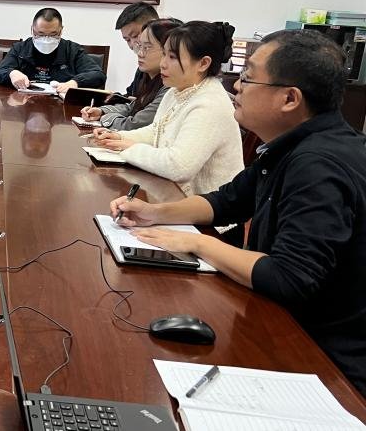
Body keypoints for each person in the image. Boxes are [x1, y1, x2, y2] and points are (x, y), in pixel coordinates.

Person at [111, 30, 366, 395]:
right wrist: (155, 212)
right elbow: (227, 201)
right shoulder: (292, 145)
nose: (236, 87)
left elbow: (289, 277)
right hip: (285, 326)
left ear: (290, 98)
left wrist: (196, 244)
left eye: (248, 77)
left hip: (325, 365)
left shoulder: (318, 166)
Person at [91, 21, 243, 196]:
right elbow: (156, 131)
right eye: (164, 54)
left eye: (172, 57)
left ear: (203, 63)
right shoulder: (177, 90)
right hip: (175, 196)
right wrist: (119, 136)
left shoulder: (210, 103)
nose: (163, 63)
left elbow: (178, 167)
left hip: (208, 209)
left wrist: (128, 147)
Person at [81, 18, 181, 130]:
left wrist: (104, 118)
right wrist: (101, 111)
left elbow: (135, 124)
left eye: (147, 47)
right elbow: (133, 106)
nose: (140, 53)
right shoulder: (146, 74)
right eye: (139, 46)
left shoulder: (171, 85)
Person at [0, 7, 107, 94]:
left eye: (53, 34)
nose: (46, 40)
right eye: (40, 34)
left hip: (60, 107)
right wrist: (12, 73)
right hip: (24, 102)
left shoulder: (72, 50)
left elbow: (98, 75)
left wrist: (75, 82)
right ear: (32, 29)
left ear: (61, 30)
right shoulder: (20, 49)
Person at [116, 2, 159, 96]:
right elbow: (131, 95)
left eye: (135, 36)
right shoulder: (142, 69)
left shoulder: (170, 74)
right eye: (127, 40)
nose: (132, 45)